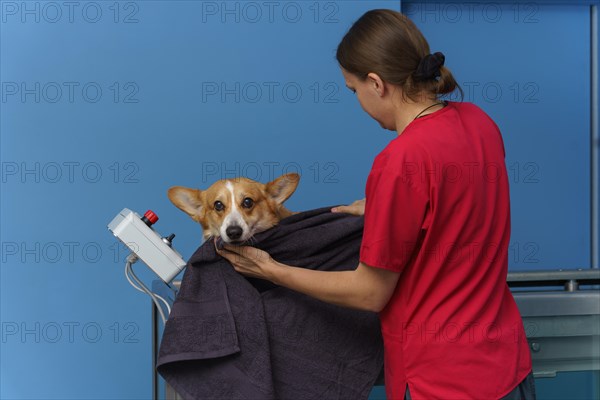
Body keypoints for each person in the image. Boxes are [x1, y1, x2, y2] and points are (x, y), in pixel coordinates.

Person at [217, 9, 535, 400]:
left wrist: (271, 270)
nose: (359, 102)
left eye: (354, 91)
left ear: (376, 83)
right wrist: (389, 208)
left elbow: (370, 293)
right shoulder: (479, 122)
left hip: (442, 381)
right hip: (506, 364)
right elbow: (461, 205)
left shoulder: (401, 160)